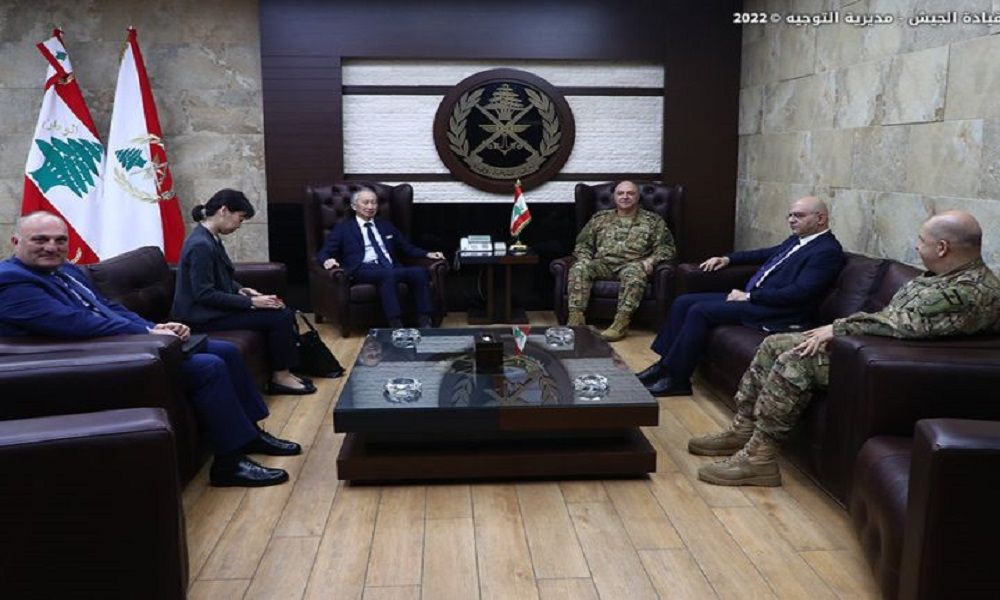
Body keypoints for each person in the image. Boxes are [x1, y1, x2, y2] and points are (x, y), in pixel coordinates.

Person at [694, 211, 1000, 487]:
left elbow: (903, 325)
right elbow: (891, 320)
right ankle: (743, 428)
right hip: (870, 347)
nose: (917, 246)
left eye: (921, 240)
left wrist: (837, 330)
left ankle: (759, 458)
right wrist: (839, 332)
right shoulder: (942, 277)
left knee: (796, 360)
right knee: (775, 343)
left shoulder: (969, 291)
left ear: (942, 248)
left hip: (890, 367)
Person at [0, 211, 300, 488]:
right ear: (16, 242)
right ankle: (229, 464)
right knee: (209, 366)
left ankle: (249, 433)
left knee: (225, 351)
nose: (51, 247)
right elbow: (76, 323)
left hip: (121, 342)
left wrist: (155, 327)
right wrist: (146, 333)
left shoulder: (65, 270)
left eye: (59, 240)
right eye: (40, 240)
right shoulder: (12, 281)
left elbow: (107, 307)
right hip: (88, 362)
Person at [639, 196, 844, 396]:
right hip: (760, 301)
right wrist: (727, 258)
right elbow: (764, 254)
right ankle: (664, 366)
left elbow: (799, 293)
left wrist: (749, 297)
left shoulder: (826, 251)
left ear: (820, 218)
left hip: (781, 312)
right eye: (790, 215)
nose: (791, 220)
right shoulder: (798, 240)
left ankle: (678, 379)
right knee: (683, 301)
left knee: (700, 311)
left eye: (798, 216)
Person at [172, 189, 316, 395]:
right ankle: (281, 376)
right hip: (199, 317)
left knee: (280, 309)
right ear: (224, 210)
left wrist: (242, 289)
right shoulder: (200, 245)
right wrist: (251, 303)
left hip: (209, 311)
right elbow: (203, 294)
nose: (239, 225)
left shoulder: (210, 238)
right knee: (279, 317)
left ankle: (285, 371)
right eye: (240, 218)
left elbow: (220, 277)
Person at [316, 187, 445, 328]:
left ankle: (425, 321)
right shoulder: (343, 228)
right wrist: (327, 261)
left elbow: (406, 247)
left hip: (391, 267)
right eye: (366, 203)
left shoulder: (385, 225)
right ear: (354, 206)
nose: (370, 207)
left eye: (374, 202)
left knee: (419, 272)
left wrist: (427, 254)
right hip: (362, 269)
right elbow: (324, 253)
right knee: (388, 275)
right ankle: (396, 324)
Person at [566, 180, 677, 341]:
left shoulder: (653, 221)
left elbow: (667, 248)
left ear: (638, 197)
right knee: (579, 267)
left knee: (634, 271)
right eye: (620, 193)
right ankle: (576, 319)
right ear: (615, 197)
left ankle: (621, 323)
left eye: (630, 193)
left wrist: (650, 261)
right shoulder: (600, 218)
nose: (625, 197)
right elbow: (583, 245)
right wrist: (585, 259)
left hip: (632, 264)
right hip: (602, 264)